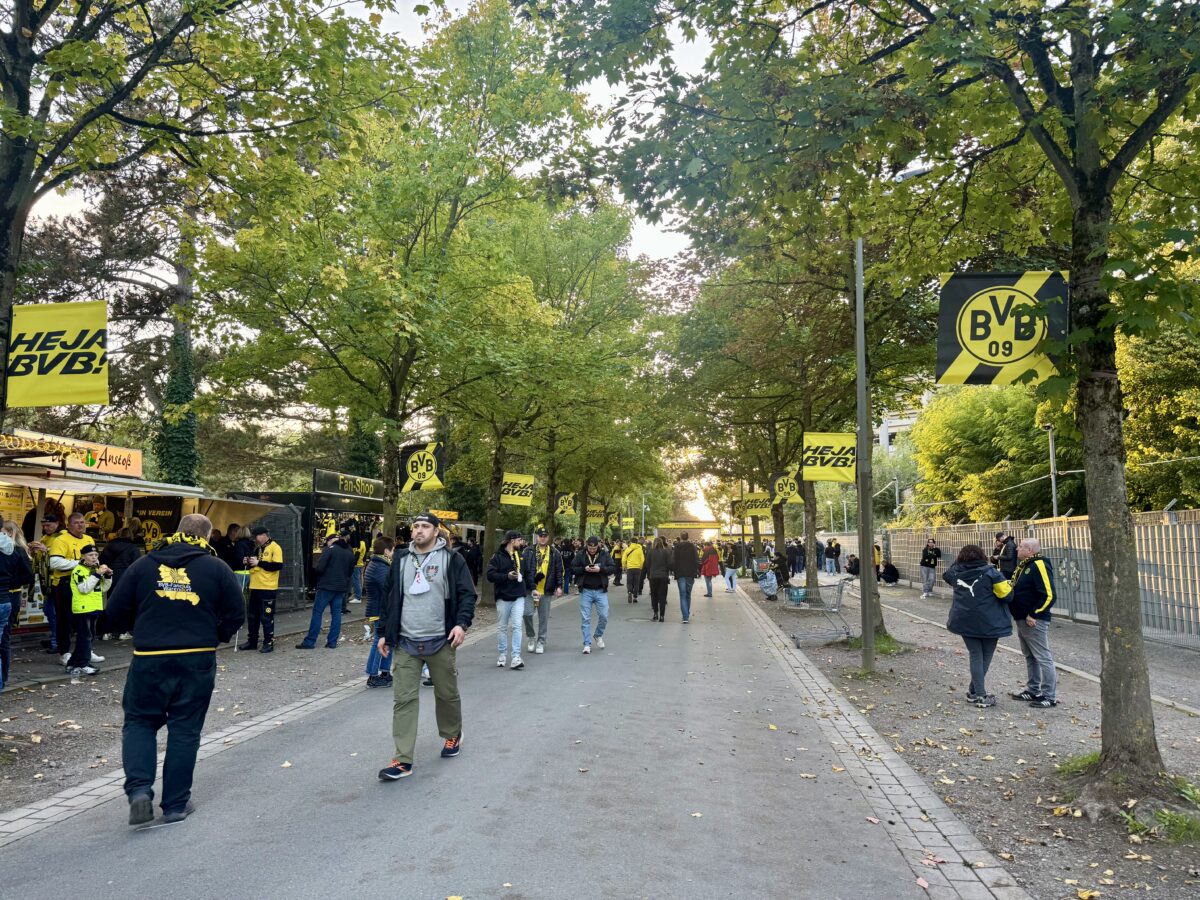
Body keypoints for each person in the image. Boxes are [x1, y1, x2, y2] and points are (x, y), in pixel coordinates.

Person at [106, 513, 245, 825]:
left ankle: (140, 790)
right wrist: (216, 635)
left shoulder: (143, 565)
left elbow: (113, 611)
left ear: (177, 531)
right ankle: (175, 804)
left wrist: (140, 628)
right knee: (184, 729)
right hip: (196, 657)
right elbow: (237, 612)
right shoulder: (217, 567)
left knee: (140, 723)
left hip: (149, 656)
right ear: (207, 537)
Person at [376, 512, 476, 781]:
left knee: (446, 694)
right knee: (404, 700)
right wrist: (383, 633)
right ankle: (402, 760)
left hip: (441, 640)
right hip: (406, 641)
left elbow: (467, 594)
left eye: (424, 526)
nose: (418, 531)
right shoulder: (400, 558)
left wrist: (461, 624)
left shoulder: (452, 559)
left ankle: (452, 734)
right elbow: (389, 598)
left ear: (435, 531)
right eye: (415, 526)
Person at [943, 544, 1012, 708]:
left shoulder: (955, 573)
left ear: (960, 557)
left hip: (964, 620)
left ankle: (974, 691)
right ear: (982, 556)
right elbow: (1008, 595)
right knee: (985, 656)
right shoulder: (992, 573)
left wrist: (959, 562)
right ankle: (979, 695)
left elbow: (947, 574)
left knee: (975, 655)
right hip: (990, 621)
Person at [1007, 538, 1058, 708]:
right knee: (1030, 656)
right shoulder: (1025, 566)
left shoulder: (1039, 565)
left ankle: (1049, 696)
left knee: (1043, 657)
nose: (1017, 549)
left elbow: (1049, 594)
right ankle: (1033, 689)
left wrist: (1034, 613)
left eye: (1020, 547)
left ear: (1029, 550)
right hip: (1022, 618)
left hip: (1033, 620)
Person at [297, 529, 356, 650]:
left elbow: (319, 568)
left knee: (318, 612)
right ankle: (332, 641)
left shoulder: (330, 550)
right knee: (336, 614)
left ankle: (310, 641)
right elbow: (350, 571)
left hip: (326, 586)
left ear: (331, 541)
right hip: (341, 587)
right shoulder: (349, 552)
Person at [49, 512, 93, 667]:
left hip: (85, 582)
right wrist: (79, 563)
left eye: (82, 522)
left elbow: (93, 558)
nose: (81, 525)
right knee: (65, 619)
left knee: (85, 617)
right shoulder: (61, 540)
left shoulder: (89, 539)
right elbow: (54, 562)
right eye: (77, 523)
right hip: (65, 582)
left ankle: (85, 650)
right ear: (68, 525)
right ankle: (64, 652)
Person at [66, 545, 112, 676]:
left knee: (87, 637)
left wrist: (108, 576)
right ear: (83, 557)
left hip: (94, 607)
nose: (94, 557)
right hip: (83, 609)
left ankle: (72, 663)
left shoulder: (96, 570)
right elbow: (84, 588)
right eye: (90, 555)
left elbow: (103, 588)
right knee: (85, 637)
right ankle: (83, 664)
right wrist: (97, 574)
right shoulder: (79, 570)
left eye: (96, 555)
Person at [487, 530, 529, 669]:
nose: (521, 542)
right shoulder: (497, 557)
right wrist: (506, 576)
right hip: (503, 596)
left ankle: (516, 656)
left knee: (517, 625)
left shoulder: (520, 555)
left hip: (519, 595)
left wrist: (533, 588)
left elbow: (527, 574)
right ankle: (502, 654)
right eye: (519, 540)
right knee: (502, 627)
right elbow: (490, 575)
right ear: (512, 541)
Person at [0, 521, 34, 690]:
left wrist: (7, 583)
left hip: (11, 593)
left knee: (4, 636)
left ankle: (3, 676)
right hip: (8, 594)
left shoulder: (17, 551)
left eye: (6, 532)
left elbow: (28, 575)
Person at [239, 525, 283, 653]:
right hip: (255, 586)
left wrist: (258, 563)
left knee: (266, 617)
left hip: (268, 587)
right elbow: (256, 564)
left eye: (256, 537)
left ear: (264, 535)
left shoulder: (275, 547)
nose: (255, 539)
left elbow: (277, 565)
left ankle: (268, 642)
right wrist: (248, 562)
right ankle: (252, 641)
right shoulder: (257, 548)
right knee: (253, 616)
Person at [522, 528, 563, 654]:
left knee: (543, 618)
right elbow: (523, 569)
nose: (543, 538)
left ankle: (541, 641)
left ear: (548, 537)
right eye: (541, 536)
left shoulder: (554, 552)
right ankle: (531, 637)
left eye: (545, 536)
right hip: (530, 589)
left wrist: (559, 586)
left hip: (546, 590)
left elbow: (558, 570)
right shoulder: (528, 551)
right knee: (527, 613)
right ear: (537, 537)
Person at [97, 527, 142, 640]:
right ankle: (123, 632)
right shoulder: (133, 547)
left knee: (109, 604)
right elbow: (137, 565)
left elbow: (101, 562)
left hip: (110, 577)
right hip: (125, 578)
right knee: (125, 606)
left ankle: (106, 632)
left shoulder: (109, 546)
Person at [572, 535, 614, 653]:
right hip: (586, 590)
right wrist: (584, 569)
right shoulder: (580, 554)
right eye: (590, 549)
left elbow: (612, 568)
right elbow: (572, 568)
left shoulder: (604, 554)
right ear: (586, 545)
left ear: (598, 546)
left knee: (604, 616)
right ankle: (587, 644)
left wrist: (600, 569)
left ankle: (598, 634)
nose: (592, 550)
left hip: (601, 590)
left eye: (594, 548)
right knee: (585, 618)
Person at [363, 536, 395, 688]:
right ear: (387, 550)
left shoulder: (376, 564)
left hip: (379, 608)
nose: (394, 553)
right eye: (393, 549)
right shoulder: (381, 567)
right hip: (380, 609)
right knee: (379, 640)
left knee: (387, 640)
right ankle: (373, 674)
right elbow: (388, 589)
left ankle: (384, 671)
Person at [671, 531, 699, 624]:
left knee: (682, 595)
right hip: (690, 573)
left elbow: (673, 560)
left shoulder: (677, 547)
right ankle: (687, 613)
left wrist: (674, 571)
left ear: (681, 537)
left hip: (680, 574)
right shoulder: (693, 546)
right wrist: (696, 571)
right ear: (688, 537)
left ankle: (685, 616)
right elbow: (696, 560)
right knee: (688, 594)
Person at [646, 536, 672, 622]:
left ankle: (655, 613)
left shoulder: (650, 552)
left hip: (653, 576)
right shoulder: (666, 552)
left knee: (654, 596)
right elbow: (669, 564)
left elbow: (647, 565)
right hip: (663, 576)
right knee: (663, 597)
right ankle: (662, 616)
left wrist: (649, 574)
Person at [622, 536, 645, 604]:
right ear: (637, 542)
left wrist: (624, 567)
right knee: (636, 582)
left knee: (629, 582)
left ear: (631, 542)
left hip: (630, 568)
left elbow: (623, 559)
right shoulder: (640, 549)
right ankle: (635, 597)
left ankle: (629, 592)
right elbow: (642, 560)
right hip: (637, 568)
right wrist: (640, 567)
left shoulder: (627, 549)